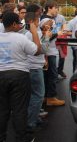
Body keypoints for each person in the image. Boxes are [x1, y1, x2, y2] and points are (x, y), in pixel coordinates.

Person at [0, 12, 42, 142]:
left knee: (2, 109)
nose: (20, 25)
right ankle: (21, 138)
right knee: (19, 109)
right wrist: (34, 32)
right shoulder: (21, 38)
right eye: (19, 23)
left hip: (1, 75)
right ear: (13, 24)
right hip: (19, 76)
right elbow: (37, 51)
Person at [25, 12, 52, 132]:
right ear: (34, 21)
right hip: (35, 68)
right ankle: (31, 123)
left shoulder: (27, 34)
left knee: (33, 95)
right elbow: (42, 49)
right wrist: (47, 37)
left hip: (31, 67)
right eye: (38, 20)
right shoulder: (34, 34)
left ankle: (34, 118)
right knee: (39, 95)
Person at [41, 0, 65, 106]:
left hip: (49, 51)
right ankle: (51, 98)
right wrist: (58, 33)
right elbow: (46, 36)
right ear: (49, 8)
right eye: (56, 8)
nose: (57, 10)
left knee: (48, 76)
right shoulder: (47, 20)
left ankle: (46, 97)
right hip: (50, 52)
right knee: (52, 75)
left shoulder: (47, 19)